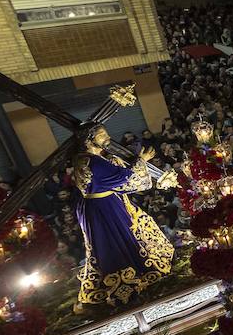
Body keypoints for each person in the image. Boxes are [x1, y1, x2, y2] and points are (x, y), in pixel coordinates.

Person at [71, 126, 174, 308]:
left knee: (104, 244)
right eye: (102, 135)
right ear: (89, 140)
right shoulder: (95, 163)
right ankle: (133, 275)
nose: (108, 137)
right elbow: (127, 179)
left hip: (93, 206)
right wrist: (142, 160)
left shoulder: (82, 158)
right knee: (119, 238)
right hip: (106, 208)